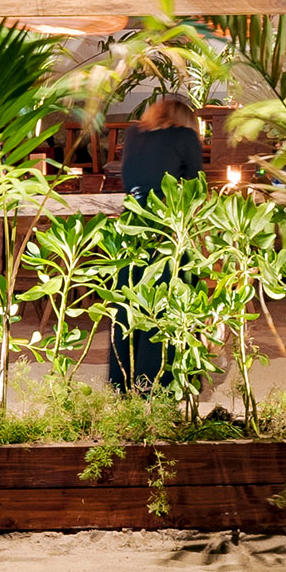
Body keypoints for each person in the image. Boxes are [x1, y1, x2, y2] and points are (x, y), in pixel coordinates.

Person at [106, 94, 205, 392]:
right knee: (168, 299)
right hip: (167, 225)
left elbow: (128, 180)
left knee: (128, 303)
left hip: (131, 223)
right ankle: (162, 381)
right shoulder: (186, 136)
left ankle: (122, 381)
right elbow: (195, 185)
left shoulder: (134, 134)